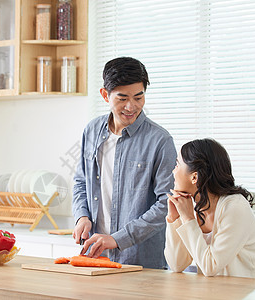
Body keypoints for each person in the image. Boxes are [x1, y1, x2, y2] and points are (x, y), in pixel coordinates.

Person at [72, 57, 177, 269]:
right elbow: (81, 182)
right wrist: (81, 216)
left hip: (141, 262)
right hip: (96, 257)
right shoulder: (92, 131)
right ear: (105, 95)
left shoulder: (160, 141)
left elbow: (167, 203)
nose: (131, 106)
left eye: (139, 97)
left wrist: (119, 238)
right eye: (122, 98)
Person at [165, 138, 255, 279]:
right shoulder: (193, 206)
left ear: (194, 177)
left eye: (177, 165)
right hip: (228, 287)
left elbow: (210, 266)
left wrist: (188, 219)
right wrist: (175, 219)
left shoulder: (235, 207)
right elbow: (177, 265)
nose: (173, 171)